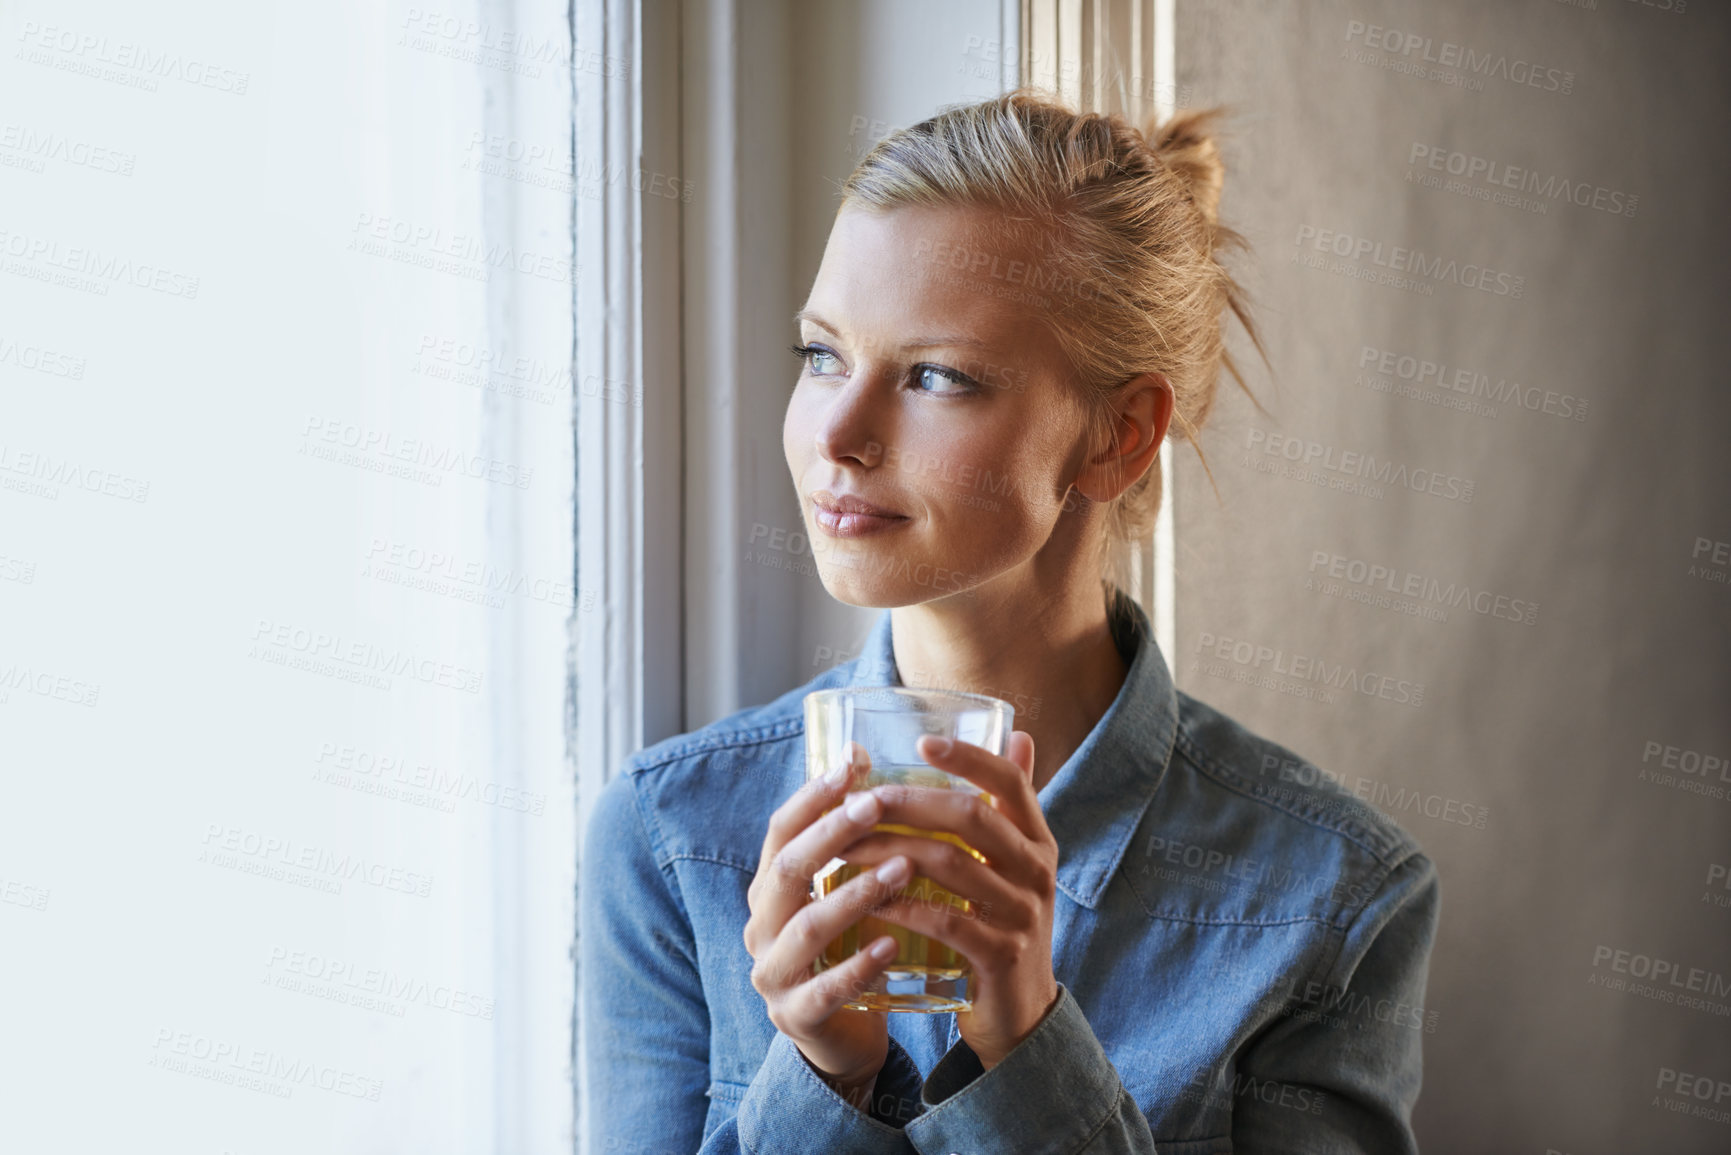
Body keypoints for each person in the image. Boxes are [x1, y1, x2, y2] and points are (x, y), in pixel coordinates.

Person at [581, 89, 1439, 1154]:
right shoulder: (669, 840)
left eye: (936, 376)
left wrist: (1028, 1052)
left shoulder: (1332, 899)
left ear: (1119, 436)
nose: (835, 434)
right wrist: (823, 1081)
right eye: (821, 355)